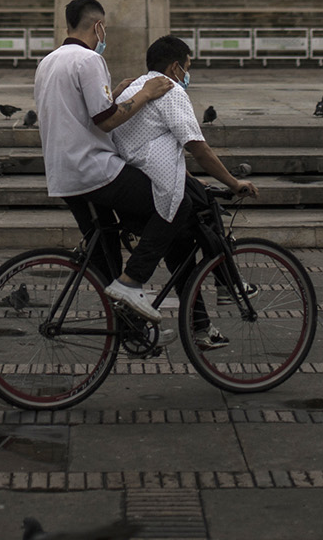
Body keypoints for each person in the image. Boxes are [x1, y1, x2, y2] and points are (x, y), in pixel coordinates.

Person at [32, 0, 178, 324]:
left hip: (64, 176)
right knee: (174, 202)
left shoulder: (49, 61)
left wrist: (115, 93)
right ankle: (134, 280)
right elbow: (106, 120)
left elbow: (78, 111)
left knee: (106, 257)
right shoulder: (88, 60)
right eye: (104, 28)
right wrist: (145, 93)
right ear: (98, 26)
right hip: (96, 171)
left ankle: (129, 327)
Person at [109, 34, 259, 346]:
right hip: (155, 185)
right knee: (204, 209)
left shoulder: (137, 87)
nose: (188, 74)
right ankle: (227, 282)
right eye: (188, 67)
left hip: (138, 178)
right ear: (176, 67)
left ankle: (201, 324)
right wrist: (233, 182)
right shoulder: (170, 89)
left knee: (182, 244)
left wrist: (189, 179)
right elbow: (197, 147)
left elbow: (154, 141)